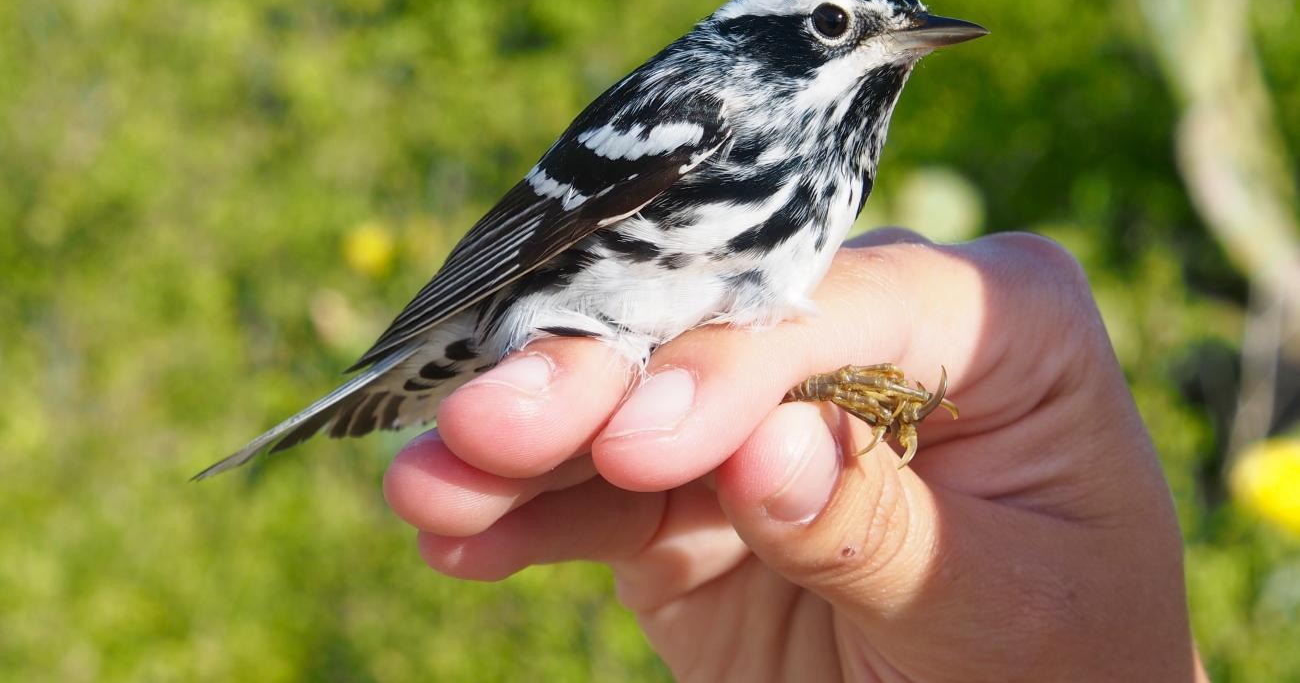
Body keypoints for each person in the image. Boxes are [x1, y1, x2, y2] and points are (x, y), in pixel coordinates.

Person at [384, 230, 1209, 681]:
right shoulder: (708, 112)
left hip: (668, 436)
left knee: (710, 394)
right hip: (539, 311)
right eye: (833, 25)